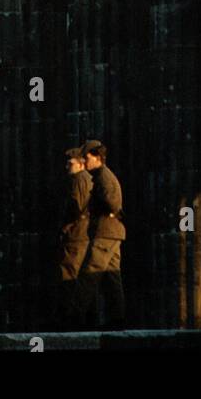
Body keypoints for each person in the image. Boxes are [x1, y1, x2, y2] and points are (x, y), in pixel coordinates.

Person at [76, 139, 126, 328]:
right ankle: (117, 319)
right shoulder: (100, 176)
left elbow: (113, 203)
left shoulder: (104, 176)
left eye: (86, 158)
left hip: (105, 232)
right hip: (111, 232)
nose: (84, 163)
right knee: (112, 278)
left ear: (97, 157)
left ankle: (75, 315)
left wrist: (106, 213)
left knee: (89, 273)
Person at [56, 146, 92, 328]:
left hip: (76, 235)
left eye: (70, 163)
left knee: (69, 274)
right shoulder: (88, 179)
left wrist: (65, 227)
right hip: (83, 234)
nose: (67, 167)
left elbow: (75, 207)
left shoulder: (78, 180)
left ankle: (72, 321)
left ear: (80, 164)